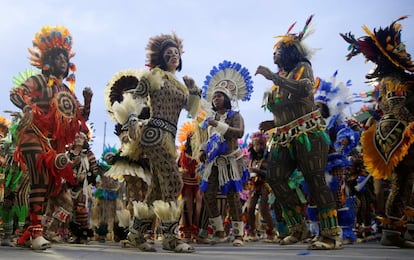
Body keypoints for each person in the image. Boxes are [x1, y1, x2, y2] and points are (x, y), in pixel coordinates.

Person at [255, 15, 343, 249]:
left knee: (315, 180)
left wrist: (271, 76)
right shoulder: (281, 78)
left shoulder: (303, 67)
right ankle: (298, 228)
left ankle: (331, 234)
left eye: (279, 50)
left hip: (309, 133)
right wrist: (272, 124)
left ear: (291, 52)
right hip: (283, 136)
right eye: (273, 52)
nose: (274, 55)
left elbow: (305, 90)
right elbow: (285, 106)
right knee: (274, 177)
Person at [9, 25, 93, 250]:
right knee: (40, 182)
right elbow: (16, 93)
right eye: (57, 57)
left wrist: (88, 99)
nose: (62, 61)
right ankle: (37, 233)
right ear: (47, 60)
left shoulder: (66, 90)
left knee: (47, 187)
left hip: (50, 144)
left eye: (65, 58)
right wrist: (27, 108)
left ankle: (29, 230)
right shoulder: (37, 80)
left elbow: (79, 117)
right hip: (31, 136)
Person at [118, 32, 201, 253]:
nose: (173, 56)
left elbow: (192, 111)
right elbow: (136, 97)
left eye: (176, 53)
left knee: (155, 190)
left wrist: (193, 91)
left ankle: (135, 235)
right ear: (162, 58)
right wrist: (133, 119)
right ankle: (171, 237)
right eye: (168, 53)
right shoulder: (155, 74)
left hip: (170, 137)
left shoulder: (180, 85)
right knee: (174, 181)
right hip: (154, 134)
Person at [341, 16, 414, 248]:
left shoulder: (396, 78)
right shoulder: (392, 80)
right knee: (404, 181)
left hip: (396, 135)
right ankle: (395, 229)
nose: (407, 53)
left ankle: (396, 229)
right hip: (401, 136)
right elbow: (396, 109)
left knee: (404, 182)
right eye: (401, 49)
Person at [198, 60, 253, 247]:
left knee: (232, 196)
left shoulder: (235, 116)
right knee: (208, 194)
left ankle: (238, 235)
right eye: (214, 97)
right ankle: (219, 232)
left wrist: (219, 125)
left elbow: (239, 133)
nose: (216, 99)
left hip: (231, 160)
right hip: (213, 162)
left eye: (220, 96)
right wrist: (202, 151)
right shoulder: (210, 119)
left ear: (227, 99)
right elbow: (206, 139)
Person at [67, 131, 99, 244]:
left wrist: (86, 176)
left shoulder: (89, 154)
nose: (79, 139)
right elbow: (63, 167)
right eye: (76, 136)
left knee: (80, 209)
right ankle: (73, 234)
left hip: (83, 186)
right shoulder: (68, 153)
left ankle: (83, 235)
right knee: (68, 209)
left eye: (81, 137)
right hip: (69, 185)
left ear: (85, 140)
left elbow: (95, 170)